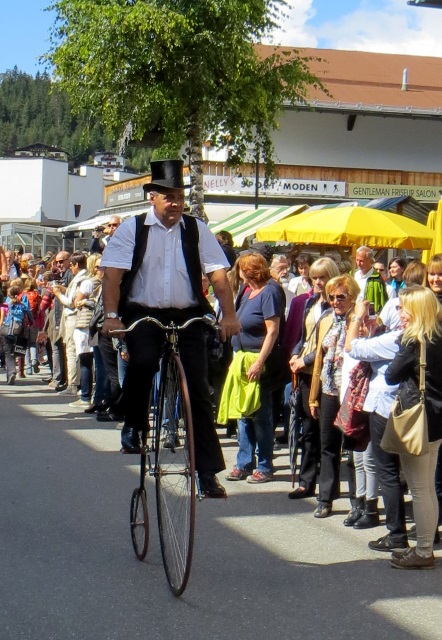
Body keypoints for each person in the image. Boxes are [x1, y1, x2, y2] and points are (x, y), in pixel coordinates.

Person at [100, 159, 240, 498]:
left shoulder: (196, 230)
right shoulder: (133, 228)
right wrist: (112, 315)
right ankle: (135, 421)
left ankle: (206, 472)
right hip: (143, 312)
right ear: (152, 197)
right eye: (169, 197)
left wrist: (230, 315)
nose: (176, 203)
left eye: (180, 196)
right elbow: (112, 275)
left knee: (198, 392)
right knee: (144, 361)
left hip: (187, 314)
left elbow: (218, 275)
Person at [385, 286, 442, 569]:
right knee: (427, 486)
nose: (399, 313)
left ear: (416, 310)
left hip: (418, 418)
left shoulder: (412, 340)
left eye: (402, 308)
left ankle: (422, 551)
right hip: (437, 417)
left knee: (419, 488)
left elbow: (391, 375)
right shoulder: (438, 335)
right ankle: (425, 547)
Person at [344, 299, 406, 541]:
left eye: (404, 308)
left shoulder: (398, 338)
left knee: (388, 470)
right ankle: (424, 535)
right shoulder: (418, 335)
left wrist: (358, 316)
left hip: (385, 407)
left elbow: (352, 347)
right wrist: (372, 331)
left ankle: (396, 533)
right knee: (417, 479)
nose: (401, 312)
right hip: (402, 407)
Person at [222, 253, 283, 483]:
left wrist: (259, 362)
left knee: (261, 415)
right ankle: (244, 463)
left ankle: (265, 465)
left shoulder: (269, 292)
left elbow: (273, 331)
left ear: (248, 271)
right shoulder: (247, 292)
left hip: (258, 360)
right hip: (241, 358)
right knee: (243, 413)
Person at [288, 257, 340, 499]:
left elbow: (328, 345)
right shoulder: (310, 302)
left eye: (323, 277)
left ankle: (328, 492)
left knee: (327, 436)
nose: (319, 282)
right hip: (307, 375)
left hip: (327, 376)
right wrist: (295, 354)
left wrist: (304, 360)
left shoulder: (338, 307)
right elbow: (304, 336)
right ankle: (306, 481)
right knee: (308, 431)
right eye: (315, 277)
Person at [308, 274, 360, 518]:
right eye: (332, 297)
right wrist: (313, 397)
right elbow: (318, 358)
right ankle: (325, 498)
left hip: (352, 391)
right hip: (329, 388)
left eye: (341, 296)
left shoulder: (360, 320)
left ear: (352, 297)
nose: (336, 301)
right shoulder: (327, 319)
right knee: (328, 446)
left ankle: (358, 502)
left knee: (352, 448)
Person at [354, 246, 387, 312]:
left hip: (369, 316)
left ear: (370, 261)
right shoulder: (353, 274)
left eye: (361, 261)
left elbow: (383, 301)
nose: (358, 263)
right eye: (357, 260)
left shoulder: (377, 279)